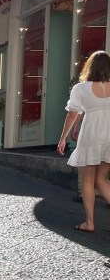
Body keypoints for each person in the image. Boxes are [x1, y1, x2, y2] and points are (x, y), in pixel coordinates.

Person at [57, 49, 110, 232]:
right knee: (101, 179)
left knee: (88, 180)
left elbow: (73, 114)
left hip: (91, 135)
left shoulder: (81, 88)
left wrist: (63, 138)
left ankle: (89, 223)